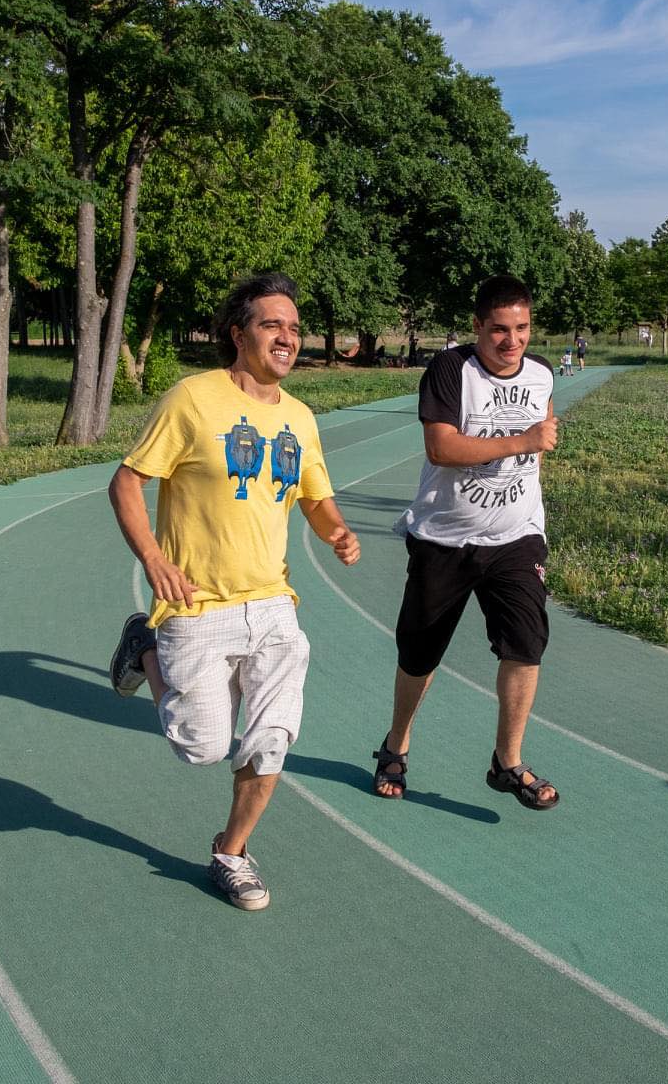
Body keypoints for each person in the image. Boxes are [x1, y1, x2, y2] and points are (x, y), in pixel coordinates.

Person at [106, 273, 361, 911]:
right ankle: (145, 647)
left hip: (273, 602)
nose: (287, 337)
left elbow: (313, 494)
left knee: (271, 737)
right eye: (273, 324)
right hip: (196, 604)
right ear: (238, 332)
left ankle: (231, 853)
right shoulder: (192, 400)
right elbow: (126, 482)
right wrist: (154, 558)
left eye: (295, 328)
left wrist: (336, 532)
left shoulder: (300, 417)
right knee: (203, 747)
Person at [371, 276, 561, 811]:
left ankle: (507, 761)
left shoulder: (543, 374)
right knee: (419, 654)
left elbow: (538, 447)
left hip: (515, 537)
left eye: (521, 328)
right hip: (444, 539)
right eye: (499, 329)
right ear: (477, 326)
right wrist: (522, 441)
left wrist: (523, 491)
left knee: (526, 643)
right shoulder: (452, 370)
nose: (512, 341)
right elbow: (441, 448)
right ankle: (397, 743)